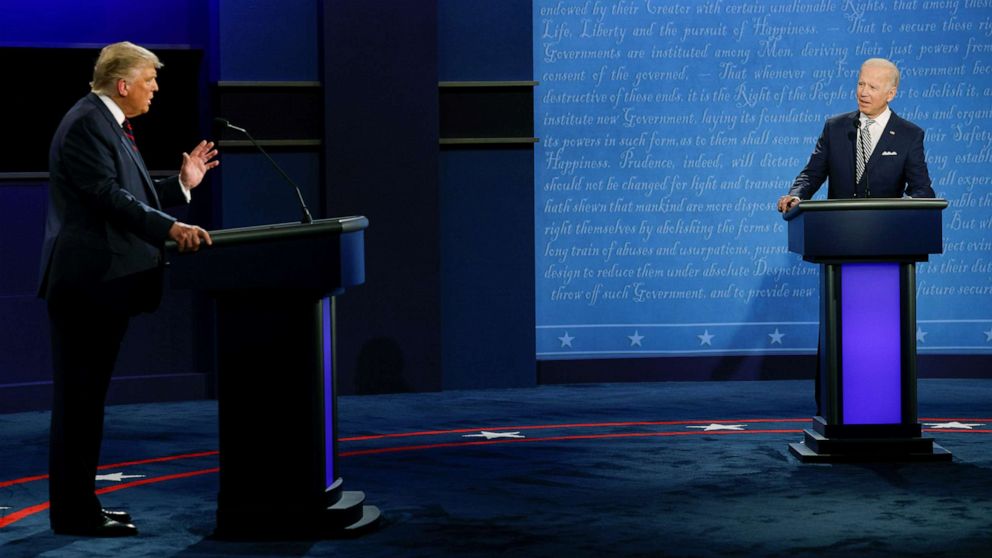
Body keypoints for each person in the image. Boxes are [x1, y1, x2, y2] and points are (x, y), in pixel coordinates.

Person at [38, 41, 218, 537]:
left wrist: (181, 185)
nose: (155, 88)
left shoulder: (104, 122)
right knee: (79, 403)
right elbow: (105, 197)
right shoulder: (86, 124)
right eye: (150, 80)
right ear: (124, 84)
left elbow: (125, 195)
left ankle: (81, 507)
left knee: (87, 403)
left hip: (101, 286)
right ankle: (74, 514)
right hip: (87, 286)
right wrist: (169, 228)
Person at [776, 58, 936, 415]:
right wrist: (797, 193)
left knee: (882, 336)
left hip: (887, 252)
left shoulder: (910, 135)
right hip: (839, 248)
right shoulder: (836, 128)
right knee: (838, 335)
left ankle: (885, 411)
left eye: (873, 87)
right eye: (860, 84)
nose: (863, 92)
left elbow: (922, 190)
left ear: (891, 92)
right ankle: (833, 412)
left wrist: (913, 209)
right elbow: (812, 173)